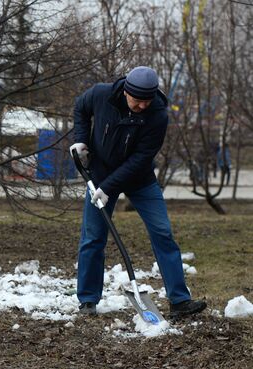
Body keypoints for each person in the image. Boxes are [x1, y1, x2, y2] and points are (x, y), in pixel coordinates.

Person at [70, 66, 207, 318]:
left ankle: (179, 301)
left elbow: (141, 159)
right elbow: (80, 107)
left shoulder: (157, 115)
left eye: (147, 101)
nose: (142, 106)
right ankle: (87, 300)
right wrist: (81, 140)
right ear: (125, 92)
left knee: (163, 232)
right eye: (137, 100)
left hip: (139, 179)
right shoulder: (100, 94)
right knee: (93, 237)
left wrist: (108, 188)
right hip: (99, 175)